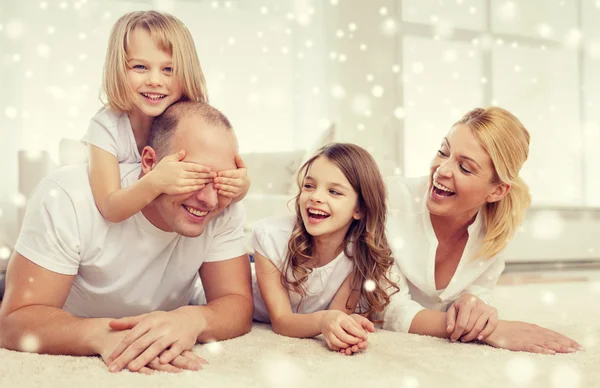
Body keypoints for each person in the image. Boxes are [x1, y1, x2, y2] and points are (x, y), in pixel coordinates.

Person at [0, 101, 253, 374]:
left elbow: (237, 303)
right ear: (149, 163)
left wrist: (194, 319)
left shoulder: (223, 207)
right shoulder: (66, 195)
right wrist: (99, 334)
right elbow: (13, 322)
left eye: (221, 182)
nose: (209, 199)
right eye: (193, 177)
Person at [382, 107, 584, 354]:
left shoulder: (496, 228)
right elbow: (387, 309)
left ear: (497, 191)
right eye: (443, 152)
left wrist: (473, 303)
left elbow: (479, 291)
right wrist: (489, 330)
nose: (442, 170)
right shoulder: (390, 202)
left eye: (465, 168)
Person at [83, 10, 249, 224]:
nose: (155, 80)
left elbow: (215, 188)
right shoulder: (106, 126)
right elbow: (110, 208)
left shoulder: (191, 123)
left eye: (169, 69)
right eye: (140, 67)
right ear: (119, 69)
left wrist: (240, 188)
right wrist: (156, 182)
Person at [253, 143, 399, 355]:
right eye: (309, 186)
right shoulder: (270, 236)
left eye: (334, 191)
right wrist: (325, 320)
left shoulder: (359, 254)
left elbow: (334, 316)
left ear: (359, 209)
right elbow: (282, 322)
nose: (316, 197)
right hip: (243, 304)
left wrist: (345, 326)